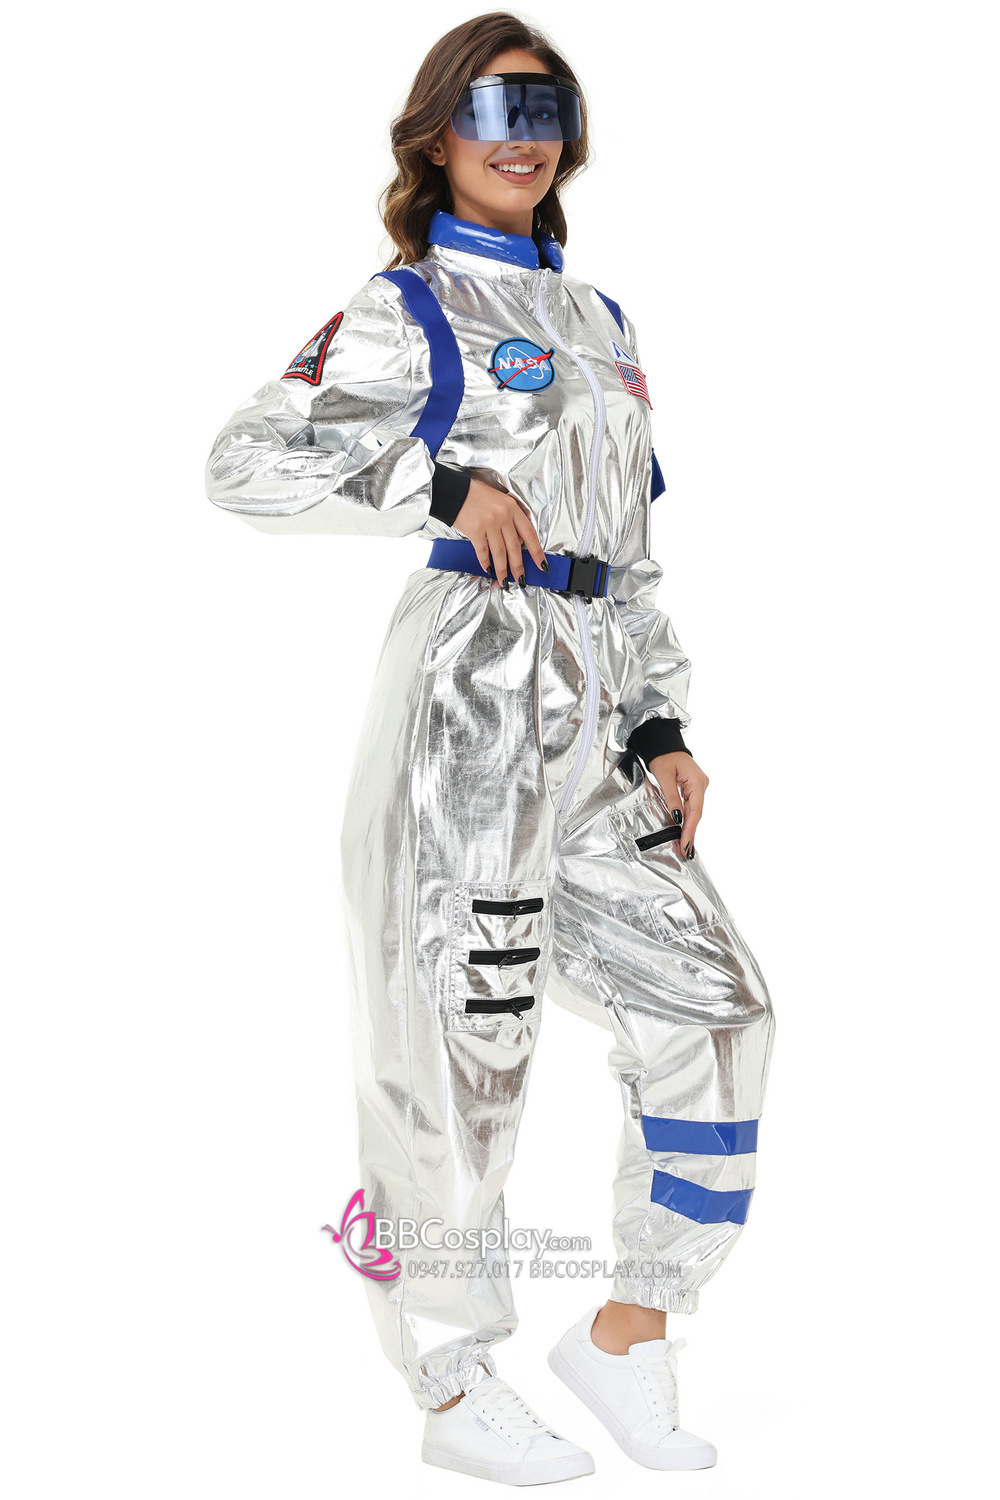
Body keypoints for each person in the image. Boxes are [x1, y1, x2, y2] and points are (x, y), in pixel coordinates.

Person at [205, 13, 776, 1487]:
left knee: (717, 1010)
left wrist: (660, 721)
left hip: (599, 705)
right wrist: (437, 484)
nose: (522, 136)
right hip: (470, 696)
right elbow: (248, 461)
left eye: (546, 107)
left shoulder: (602, 322)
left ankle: (629, 1332)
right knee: (463, 1043)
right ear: (436, 135)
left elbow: (627, 544)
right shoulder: (407, 304)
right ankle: (452, 1381)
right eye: (490, 108)